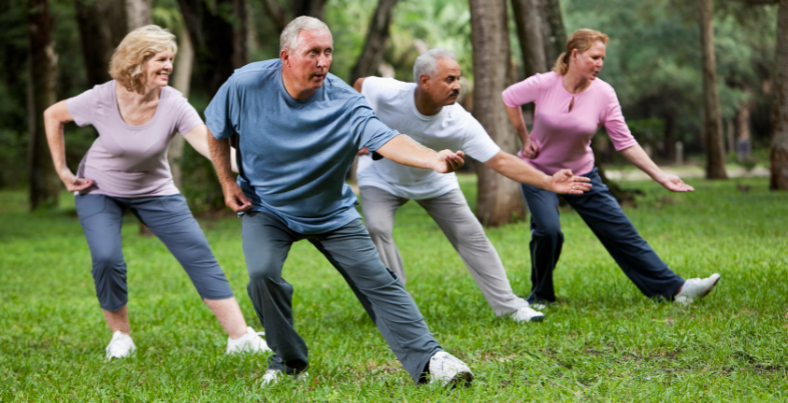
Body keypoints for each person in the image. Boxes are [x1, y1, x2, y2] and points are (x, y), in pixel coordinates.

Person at [205, 16, 474, 387]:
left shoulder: (345, 101)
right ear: (286, 56)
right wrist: (225, 182)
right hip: (266, 206)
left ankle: (431, 360)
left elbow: (386, 137)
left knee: (379, 281)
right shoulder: (245, 84)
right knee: (262, 274)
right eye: (313, 52)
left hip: (330, 212)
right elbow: (215, 129)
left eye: (328, 52)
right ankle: (287, 362)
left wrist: (433, 158)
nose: (323, 61)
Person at [43, 25, 269, 360]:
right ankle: (121, 336)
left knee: (198, 254)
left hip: (155, 189)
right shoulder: (102, 97)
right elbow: (53, 115)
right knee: (107, 258)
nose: (168, 66)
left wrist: (262, 166)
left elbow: (211, 148)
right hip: (99, 187)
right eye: (160, 59)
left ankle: (240, 336)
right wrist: (62, 170)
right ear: (137, 60)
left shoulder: (174, 104)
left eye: (171, 59)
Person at [352, 49, 592, 324]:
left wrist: (548, 181)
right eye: (449, 79)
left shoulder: (460, 121)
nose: (457, 86)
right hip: (381, 177)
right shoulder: (389, 92)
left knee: (473, 237)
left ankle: (511, 307)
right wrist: (362, 128)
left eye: (459, 79)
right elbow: (360, 85)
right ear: (425, 81)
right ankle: (396, 308)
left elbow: (501, 160)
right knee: (377, 228)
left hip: (435, 181)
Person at [501, 29, 720, 306]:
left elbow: (625, 142)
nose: (600, 63)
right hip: (539, 173)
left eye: (602, 58)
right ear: (575, 55)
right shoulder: (545, 83)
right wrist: (524, 137)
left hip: (582, 173)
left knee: (622, 232)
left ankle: (677, 290)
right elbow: (509, 97)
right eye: (595, 57)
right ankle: (541, 295)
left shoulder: (604, 93)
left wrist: (661, 176)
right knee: (548, 231)